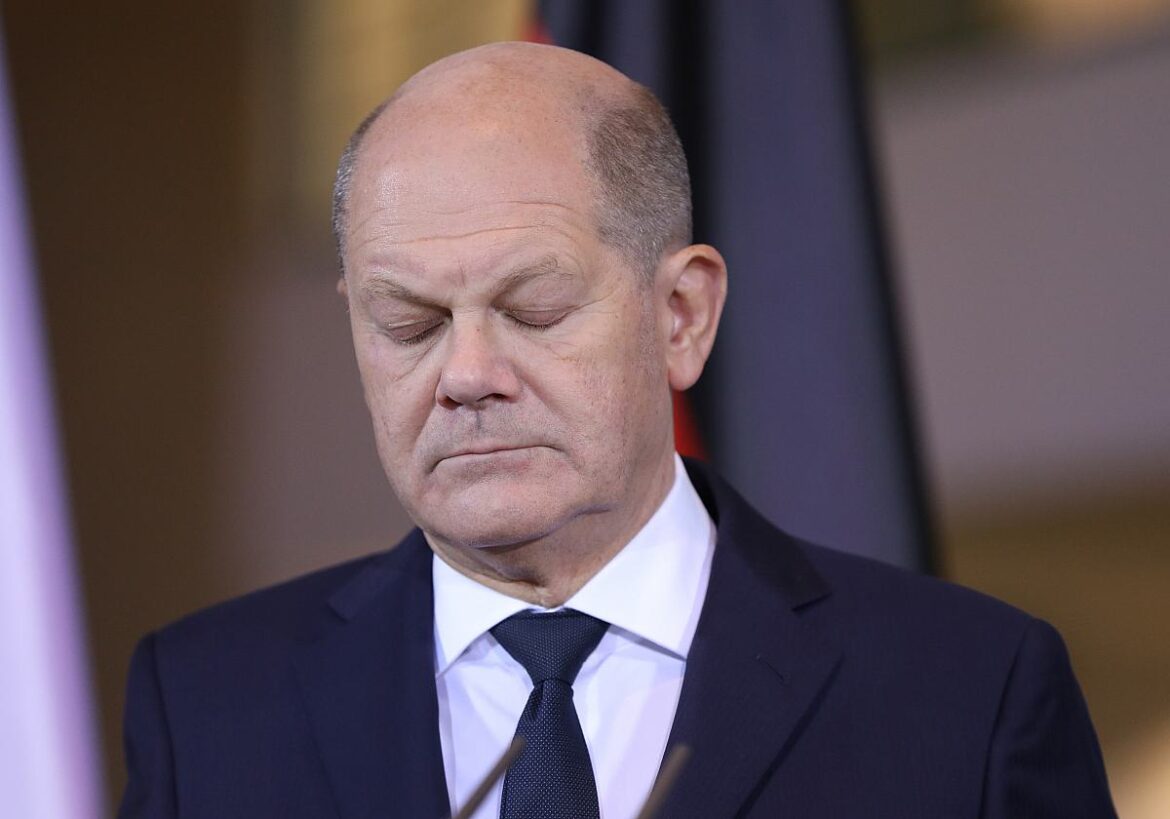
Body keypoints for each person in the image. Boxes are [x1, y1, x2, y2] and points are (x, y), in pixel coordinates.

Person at [118, 42, 1116, 818]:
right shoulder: (207, 707)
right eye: (409, 324)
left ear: (681, 315)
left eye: (535, 309)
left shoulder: (966, 693)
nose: (466, 375)